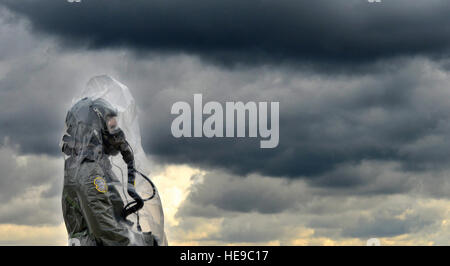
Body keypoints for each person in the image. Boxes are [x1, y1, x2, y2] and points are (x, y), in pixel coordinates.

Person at [61, 97, 154, 246]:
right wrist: (145, 241)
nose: (117, 134)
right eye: (111, 126)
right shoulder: (88, 170)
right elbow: (106, 230)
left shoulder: (92, 166)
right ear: (93, 128)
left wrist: (134, 234)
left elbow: (113, 221)